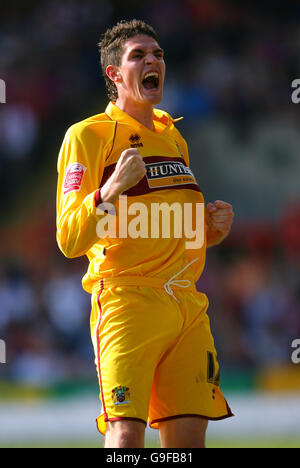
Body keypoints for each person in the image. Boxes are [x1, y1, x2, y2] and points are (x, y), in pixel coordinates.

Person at [56, 19, 234, 448]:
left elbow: (159, 226)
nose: (153, 60)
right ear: (114, 73)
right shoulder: (88, 135)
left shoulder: (174, 136)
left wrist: (207, 230)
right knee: (126, 436)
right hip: (127, 303)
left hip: (188, 307)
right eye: (139, 55)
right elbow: (69, 238)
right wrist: (110, 188)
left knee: (188, 440)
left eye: (157, 54)